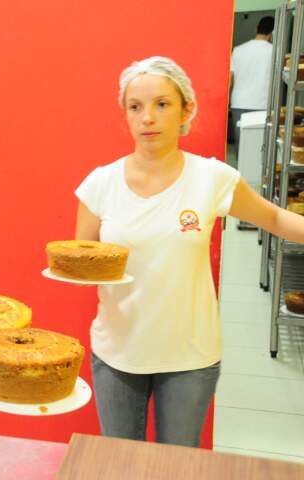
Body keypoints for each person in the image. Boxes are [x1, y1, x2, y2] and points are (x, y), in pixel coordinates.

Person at [75, 56, 304, 447]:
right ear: (125, 114)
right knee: (118, 464)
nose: (148, 117)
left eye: (162, 104)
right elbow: (81, 261)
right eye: (136, 106)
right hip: (118, 352)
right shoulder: (100, 184)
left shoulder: (212, 178)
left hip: (189, 356)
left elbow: (277, 219)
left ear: (187, 108)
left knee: (177, 466)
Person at [229, 16, 274, 155]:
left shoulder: (238, 50)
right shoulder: (274, 51)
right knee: (258, 147)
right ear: (272, 33)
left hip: (239, 103)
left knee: (242, 147)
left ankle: (239, 175)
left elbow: (230, 78)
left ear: (256, 29)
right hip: (262, 104)